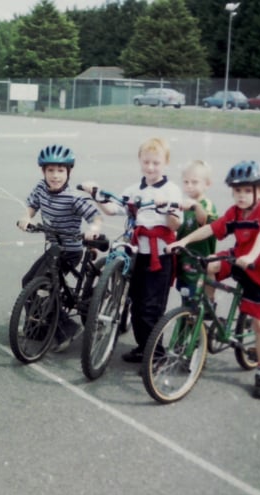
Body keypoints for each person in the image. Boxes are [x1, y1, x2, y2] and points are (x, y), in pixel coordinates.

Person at [168, 161, 260, 400]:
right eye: (237, 190)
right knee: (207, 263)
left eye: (246, 190)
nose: (240, 196)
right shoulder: (234, 212)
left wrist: (252, 255)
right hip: (239, 257)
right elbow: (212, 228)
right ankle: (209, 309)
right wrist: (184, 241)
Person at [86, 137, 182, 363]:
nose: (150, 167)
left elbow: (175, 224)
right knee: (135, 303)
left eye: (156, 163)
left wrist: (166, 206)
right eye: (146, 162)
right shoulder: (133, 190)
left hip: (160, 256)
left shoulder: (171, 190)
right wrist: (96, 194)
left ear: (165, 163)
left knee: (151, 307)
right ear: (140, 161)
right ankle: (143, 347)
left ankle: (156, 355)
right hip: (137, 253)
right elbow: (112, 209)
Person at [16, 144, 102, 352]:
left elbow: (95, 217)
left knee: (46, 286)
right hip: (53, 248)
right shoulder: (41, 188)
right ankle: (36, 326)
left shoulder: (74, 197)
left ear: (68, 172)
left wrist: (93, 229)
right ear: (43, 172)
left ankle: (67, 329)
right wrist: (25, 217)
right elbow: (31, 206)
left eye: (61, 171)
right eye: (51, 171)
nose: (55, 176)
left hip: (70, 250)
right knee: (29, 281)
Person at [175, 160, 218, 305]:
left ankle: (207, 306)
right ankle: (185, 324)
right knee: (185, 295)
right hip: (185, 259)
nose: (189, 186)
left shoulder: (206, 205)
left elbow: (204, 219)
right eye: (186, 182)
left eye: (195, 182)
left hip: (200, 260)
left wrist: (196, 206)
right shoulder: (183, 203)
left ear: (207, 184)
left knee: (198, 300)